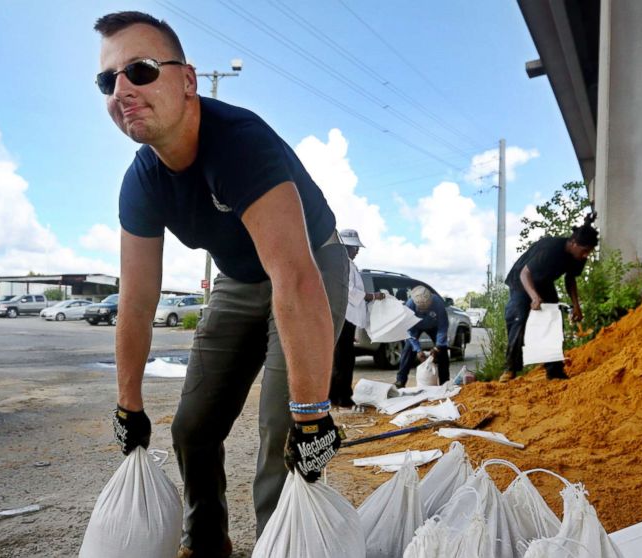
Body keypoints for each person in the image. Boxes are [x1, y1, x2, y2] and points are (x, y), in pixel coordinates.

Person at [94, 11, 348, 557]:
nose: (121, 90)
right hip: (238, 280)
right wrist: (128, 406)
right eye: (106, 80)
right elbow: (137, 303)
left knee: (285, 437)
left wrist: (312, 416)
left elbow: (295, 276)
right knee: (191, 429)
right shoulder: (142, 180)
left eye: (139, 70)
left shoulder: (239, 142)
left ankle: (281, 547)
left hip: (309, 266)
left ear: (188, 81)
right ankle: (206, 543)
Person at [500, 214, 599, 382]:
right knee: (518, 317)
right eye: (584, 251)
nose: (585, 255)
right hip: (521, 281)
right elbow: (525, 273)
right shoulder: (551, 248)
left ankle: (554, 371)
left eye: (588, 252)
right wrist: (534, 297)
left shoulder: (578, 257)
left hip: (544, 283)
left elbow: (570, 279)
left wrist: (576, 306)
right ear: (574, 243)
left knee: (552, 320)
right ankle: (510, 369)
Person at [329, 229, 385, 408]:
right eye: (354, 247)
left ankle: (337, 395)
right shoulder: (341, 265)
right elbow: (349, 291)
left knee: (343, 358)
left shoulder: (349, 265)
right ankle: (341, 396)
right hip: (344, 318)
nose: (357, 251)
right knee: (343, 359)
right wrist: (372, 296)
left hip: (348, 321)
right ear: (345, 247)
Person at [395, 285, 450, 388]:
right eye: (421, 309)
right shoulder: (410, 305)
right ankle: (400, 381)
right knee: (408, 348)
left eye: (426, 308)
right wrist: (418, 350)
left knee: (443, 351)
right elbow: (409, 330)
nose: (423, 311)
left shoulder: (438, 303)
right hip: (415, 326)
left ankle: (444, 382)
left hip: (434, 326)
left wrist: (437, 346)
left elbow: (443, 327)